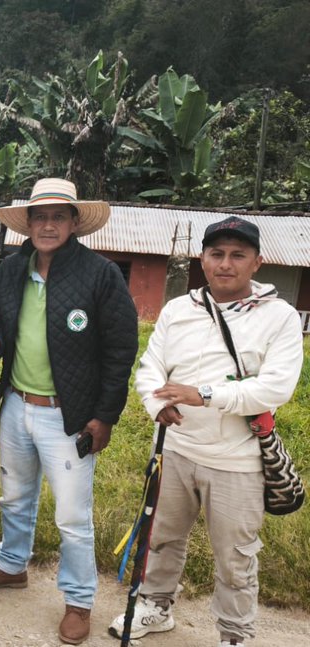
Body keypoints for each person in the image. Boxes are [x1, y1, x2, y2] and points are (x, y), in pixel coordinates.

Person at [110, 217, 304, 647]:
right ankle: (156, 608)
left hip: (238, 462)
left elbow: (276, 387)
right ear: (203, 258)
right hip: (177, 449)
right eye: (217, 254)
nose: (226, 264)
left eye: (238, 255)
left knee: (236, 558)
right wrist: (157, 403)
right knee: (161, 538)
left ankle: (235, 634)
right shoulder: (180, 309)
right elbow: (151, 368)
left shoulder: (281, 318)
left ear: (257, 262)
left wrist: (205, 394)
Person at [0, 178, 138, 645]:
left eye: (57, 216)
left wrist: (105, 415)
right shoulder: (11, 268)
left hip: (70, 416)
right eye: (39, 216)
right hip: (18, 404)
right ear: (28, 223)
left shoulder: (100, 274)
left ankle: (79, 599)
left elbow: (121, 348)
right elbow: (3, 324)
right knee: (14, 496)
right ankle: (11, 565)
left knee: (71, 515)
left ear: (74, 222)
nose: (47, 225)